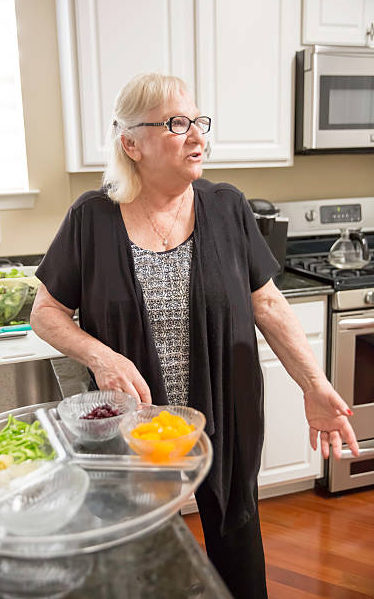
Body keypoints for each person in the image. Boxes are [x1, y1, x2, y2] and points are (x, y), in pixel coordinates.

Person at [31, 73, 359, 598]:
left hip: (224, 415)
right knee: (142, 556)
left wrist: (314, 384)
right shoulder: (92, 218)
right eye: (176, 123)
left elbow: (268, 302)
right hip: (134, 426)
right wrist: (101, 356)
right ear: (131, 143)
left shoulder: (227, 207)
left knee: (237, 543)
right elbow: (45, 312)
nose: (197, 137)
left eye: (198, 121)